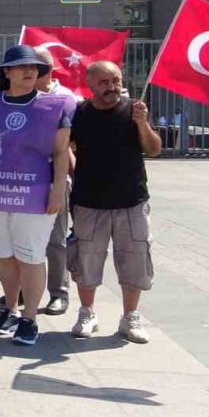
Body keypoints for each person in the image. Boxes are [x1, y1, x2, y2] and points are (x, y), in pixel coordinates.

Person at [0, 46, 73, 347]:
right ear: (7, 72)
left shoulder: (56, 105)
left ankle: (30, 319)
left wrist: (57, 190)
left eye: (35, 68)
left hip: (35, 193)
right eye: (22, 67)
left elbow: (60, 151)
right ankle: (10, 309)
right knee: (6, 255)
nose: (30, 72)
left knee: (30, 256)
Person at [69, 61, 161, 343]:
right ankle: (87, 312)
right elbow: (64, 148)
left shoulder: (134, 109)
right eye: (104, 82)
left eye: (116, 81)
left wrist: (142, 123)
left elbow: (154, 149)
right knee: (86, 259)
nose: (112, 87)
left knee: (134, 260)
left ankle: (130, 317)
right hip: (89, 201)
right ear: (91, 85)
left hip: (131, 201)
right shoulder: (79, 113)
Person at [33, 47, 81, 316]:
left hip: (54, 176)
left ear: (49, 71)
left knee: (55, 238)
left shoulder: (65, 98)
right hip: (23, 177)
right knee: (23, 238)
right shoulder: (17, 96)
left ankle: (58, 293)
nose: (27, 74)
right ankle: (20, 291)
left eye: (34, 70)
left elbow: (66, 142)